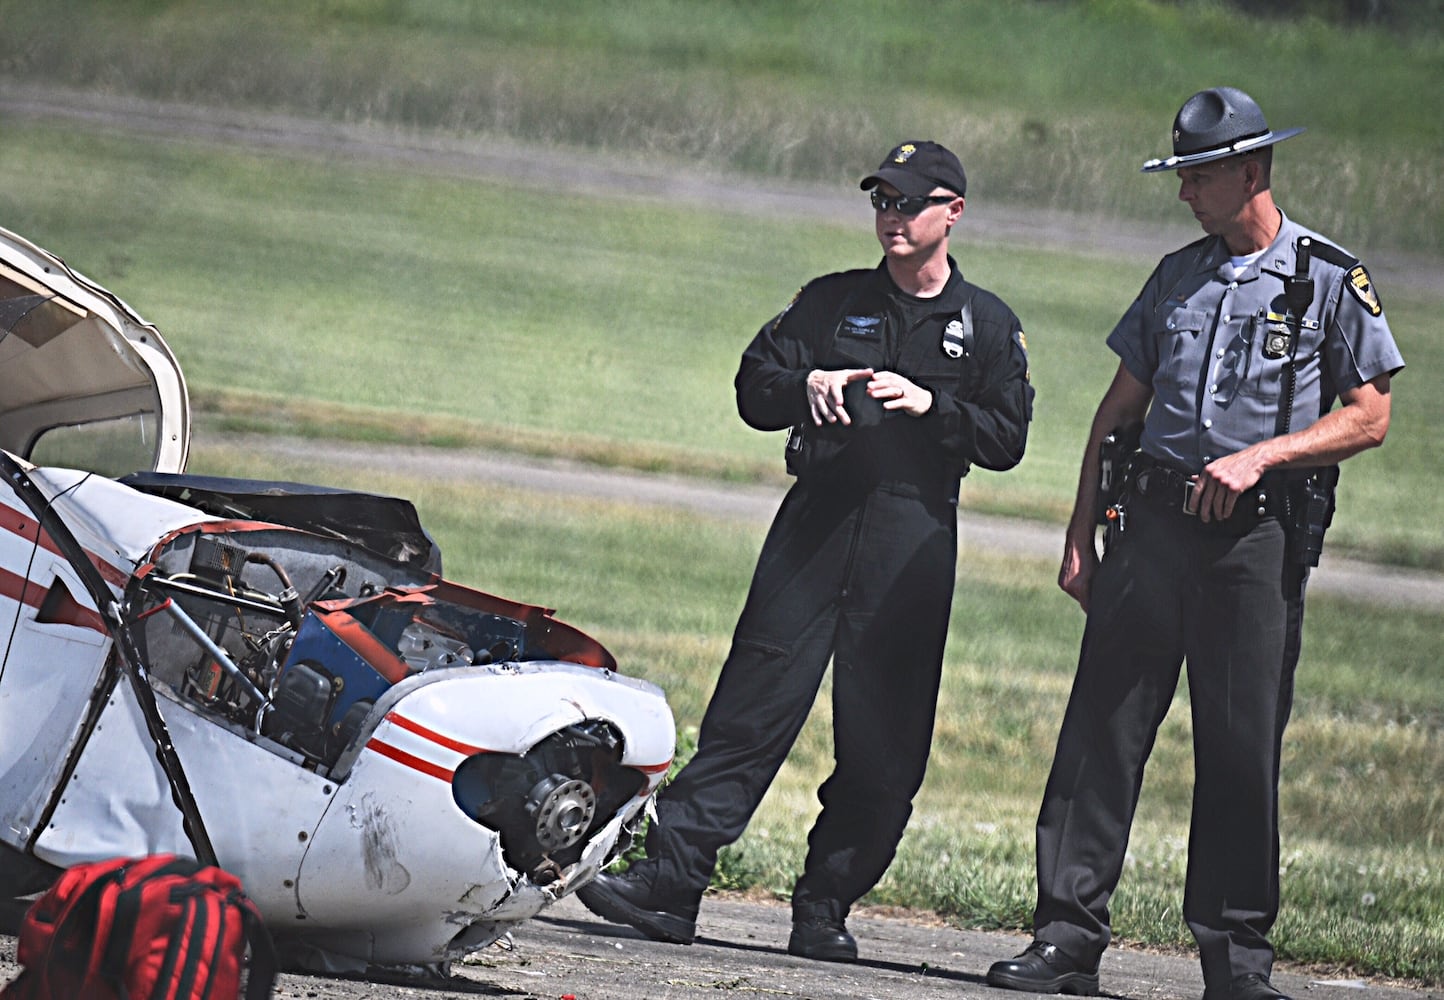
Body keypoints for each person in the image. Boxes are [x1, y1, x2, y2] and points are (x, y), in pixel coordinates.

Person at [985, 88, 1404, 1000]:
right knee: (1101, 730)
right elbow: (1117, 411)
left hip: (1253, 545)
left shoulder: (1327, 278)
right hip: (1150, 530)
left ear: (1249, 172)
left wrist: (1263, 457)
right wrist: (1080, 533)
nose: (1183, 195)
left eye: (1197, 177)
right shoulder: (1176, 275)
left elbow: (1369, 417)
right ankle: (1065, 939)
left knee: (1240, 746)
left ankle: (1235, 963)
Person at [577, 140, 1033, 962]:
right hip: (817, 522)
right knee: (749, 708)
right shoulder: (830, 302)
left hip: (912, 536)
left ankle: (824, 905)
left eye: (907, 203)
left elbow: (1007, 440)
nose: (890, 218)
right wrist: (809, 385)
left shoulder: (989, 326)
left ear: (951, 212)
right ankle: (669, 884)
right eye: (880, 202)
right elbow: (755, 386)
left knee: (885, 740)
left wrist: (931, 406)